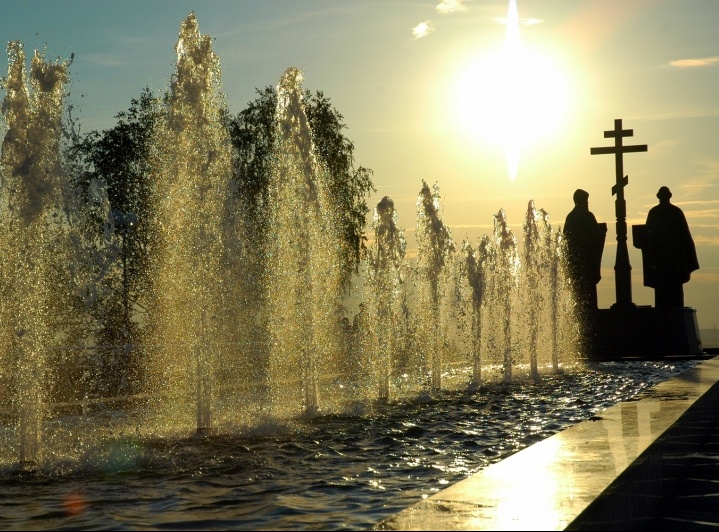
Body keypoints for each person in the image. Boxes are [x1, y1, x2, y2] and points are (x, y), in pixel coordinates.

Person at [641, 186, 699, 308]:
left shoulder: (654, 212)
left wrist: (651, 260)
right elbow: (685, 237)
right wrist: (689, 262)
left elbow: (648, 239)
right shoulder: (675, 212)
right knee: (674, 296)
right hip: (673, 262)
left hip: (664, 262)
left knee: (662, 296)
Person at [563, 189, 606, 312]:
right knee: (589, 297)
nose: (587, 203)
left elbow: (565, 240)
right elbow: (596, 236)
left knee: (578, 296)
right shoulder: (588, 216)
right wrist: (603, 232)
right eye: (586, 201)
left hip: (575, 263)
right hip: (587, 262)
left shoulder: (570, 217)